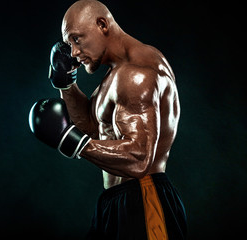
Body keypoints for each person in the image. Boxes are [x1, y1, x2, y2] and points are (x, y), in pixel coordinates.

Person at [29, 0, 187, 239]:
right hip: (114, 203)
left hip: (144, 199)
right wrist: (66, 84)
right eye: (68, 43)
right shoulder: (115, 75)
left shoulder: (137, 73)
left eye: (76, 39)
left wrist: (73, 143)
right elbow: (94, 130)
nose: (72, 52)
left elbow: (139, 158)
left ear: (102, 25)